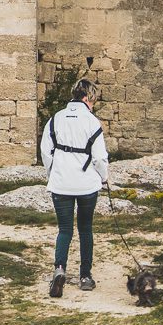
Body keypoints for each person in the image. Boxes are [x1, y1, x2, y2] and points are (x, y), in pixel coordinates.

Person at [40, 77, 109, 297]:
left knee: (64, 229)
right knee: (86, 228)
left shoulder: (56, 118)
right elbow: (99, 158)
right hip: (86, 184)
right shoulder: (92, 121)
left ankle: (59, 269)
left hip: (61, 183)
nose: (93, 105)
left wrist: (54, 172)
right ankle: (85, 276)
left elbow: (45, 151)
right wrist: (104, 177)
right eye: (93, 101)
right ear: (87, 97)